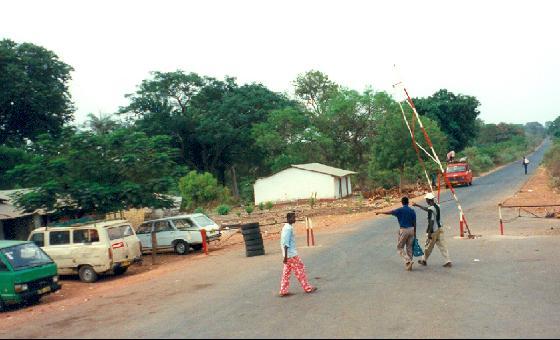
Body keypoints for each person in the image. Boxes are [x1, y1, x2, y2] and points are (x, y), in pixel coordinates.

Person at [279, 212, 317, 297]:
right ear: (288, 218)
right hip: (291, 255)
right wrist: (285, 257)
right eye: (293, 217)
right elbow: (285, 244)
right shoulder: (288, 229)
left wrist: (285, 257)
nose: (294, 219)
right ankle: (307, 288)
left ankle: (283, 290)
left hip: (288, 255)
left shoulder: (287, 227)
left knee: (286, 272)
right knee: (300, 269)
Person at [412, 193, 452, 268]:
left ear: (428, 200)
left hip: (434, 230)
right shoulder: (437, 206)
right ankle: (448, 261)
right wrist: (417, 205)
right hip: (440, 228)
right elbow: (427, 209)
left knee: (428, 247)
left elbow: (431, 221)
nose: (426, 200)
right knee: (442, 246)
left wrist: (429, 232)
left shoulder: (431, 209)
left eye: (426, 199)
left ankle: (424, 260)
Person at [377, 197, 417, 271]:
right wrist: (415, 233)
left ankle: (408, 260)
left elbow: (390, 212)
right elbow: (414, 222)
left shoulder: (400, 210)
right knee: (409, 248)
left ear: (402, 202)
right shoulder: (412, 211)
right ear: (408, 202)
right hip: (412, 229)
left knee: (400, 247)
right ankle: (409, 266)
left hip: (404, 230)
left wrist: (380, 212)